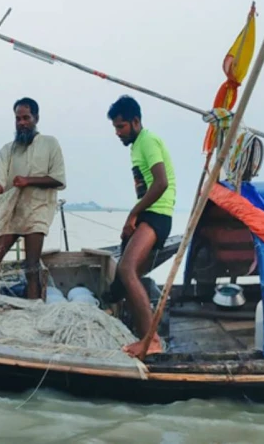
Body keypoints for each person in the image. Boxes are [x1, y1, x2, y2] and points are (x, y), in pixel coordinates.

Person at [106, 95, 176, 358]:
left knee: (127, 269)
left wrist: (133, 214)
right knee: (125, 275)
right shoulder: (135, 146)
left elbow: (161, 183)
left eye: (121, 126)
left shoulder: (147, 140)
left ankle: (151, 340)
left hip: (157, 214)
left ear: (136, 121)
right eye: (115, 127)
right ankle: (139, 332)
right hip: (148, 214)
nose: (117, 132)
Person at [0, 97, 66, 301]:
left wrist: (28, 180)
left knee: (31, 265)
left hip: (38, 210)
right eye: (18, 119)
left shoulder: (50, 143)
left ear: (36, 118)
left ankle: (34, 308)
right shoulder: (8, 150)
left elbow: (58, 179)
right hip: (11, 212)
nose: (22, 123)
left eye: (26, 118)